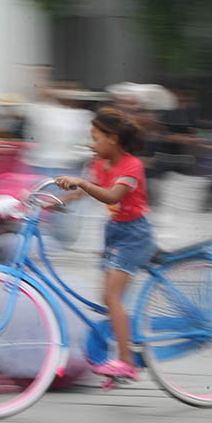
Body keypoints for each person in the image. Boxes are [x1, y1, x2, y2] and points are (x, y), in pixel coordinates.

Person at [54, 107, 156, 384]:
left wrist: (83, 183)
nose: (91, 144)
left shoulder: (132, 166)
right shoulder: (101, 163)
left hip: (135, 234)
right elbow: (83, 193)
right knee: (108, 299)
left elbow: (111, 195)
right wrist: (56, 201)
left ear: (113, 139)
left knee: (112, 298)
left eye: (96, 138)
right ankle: (122, 355)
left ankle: (126, 363)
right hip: (114, 232)